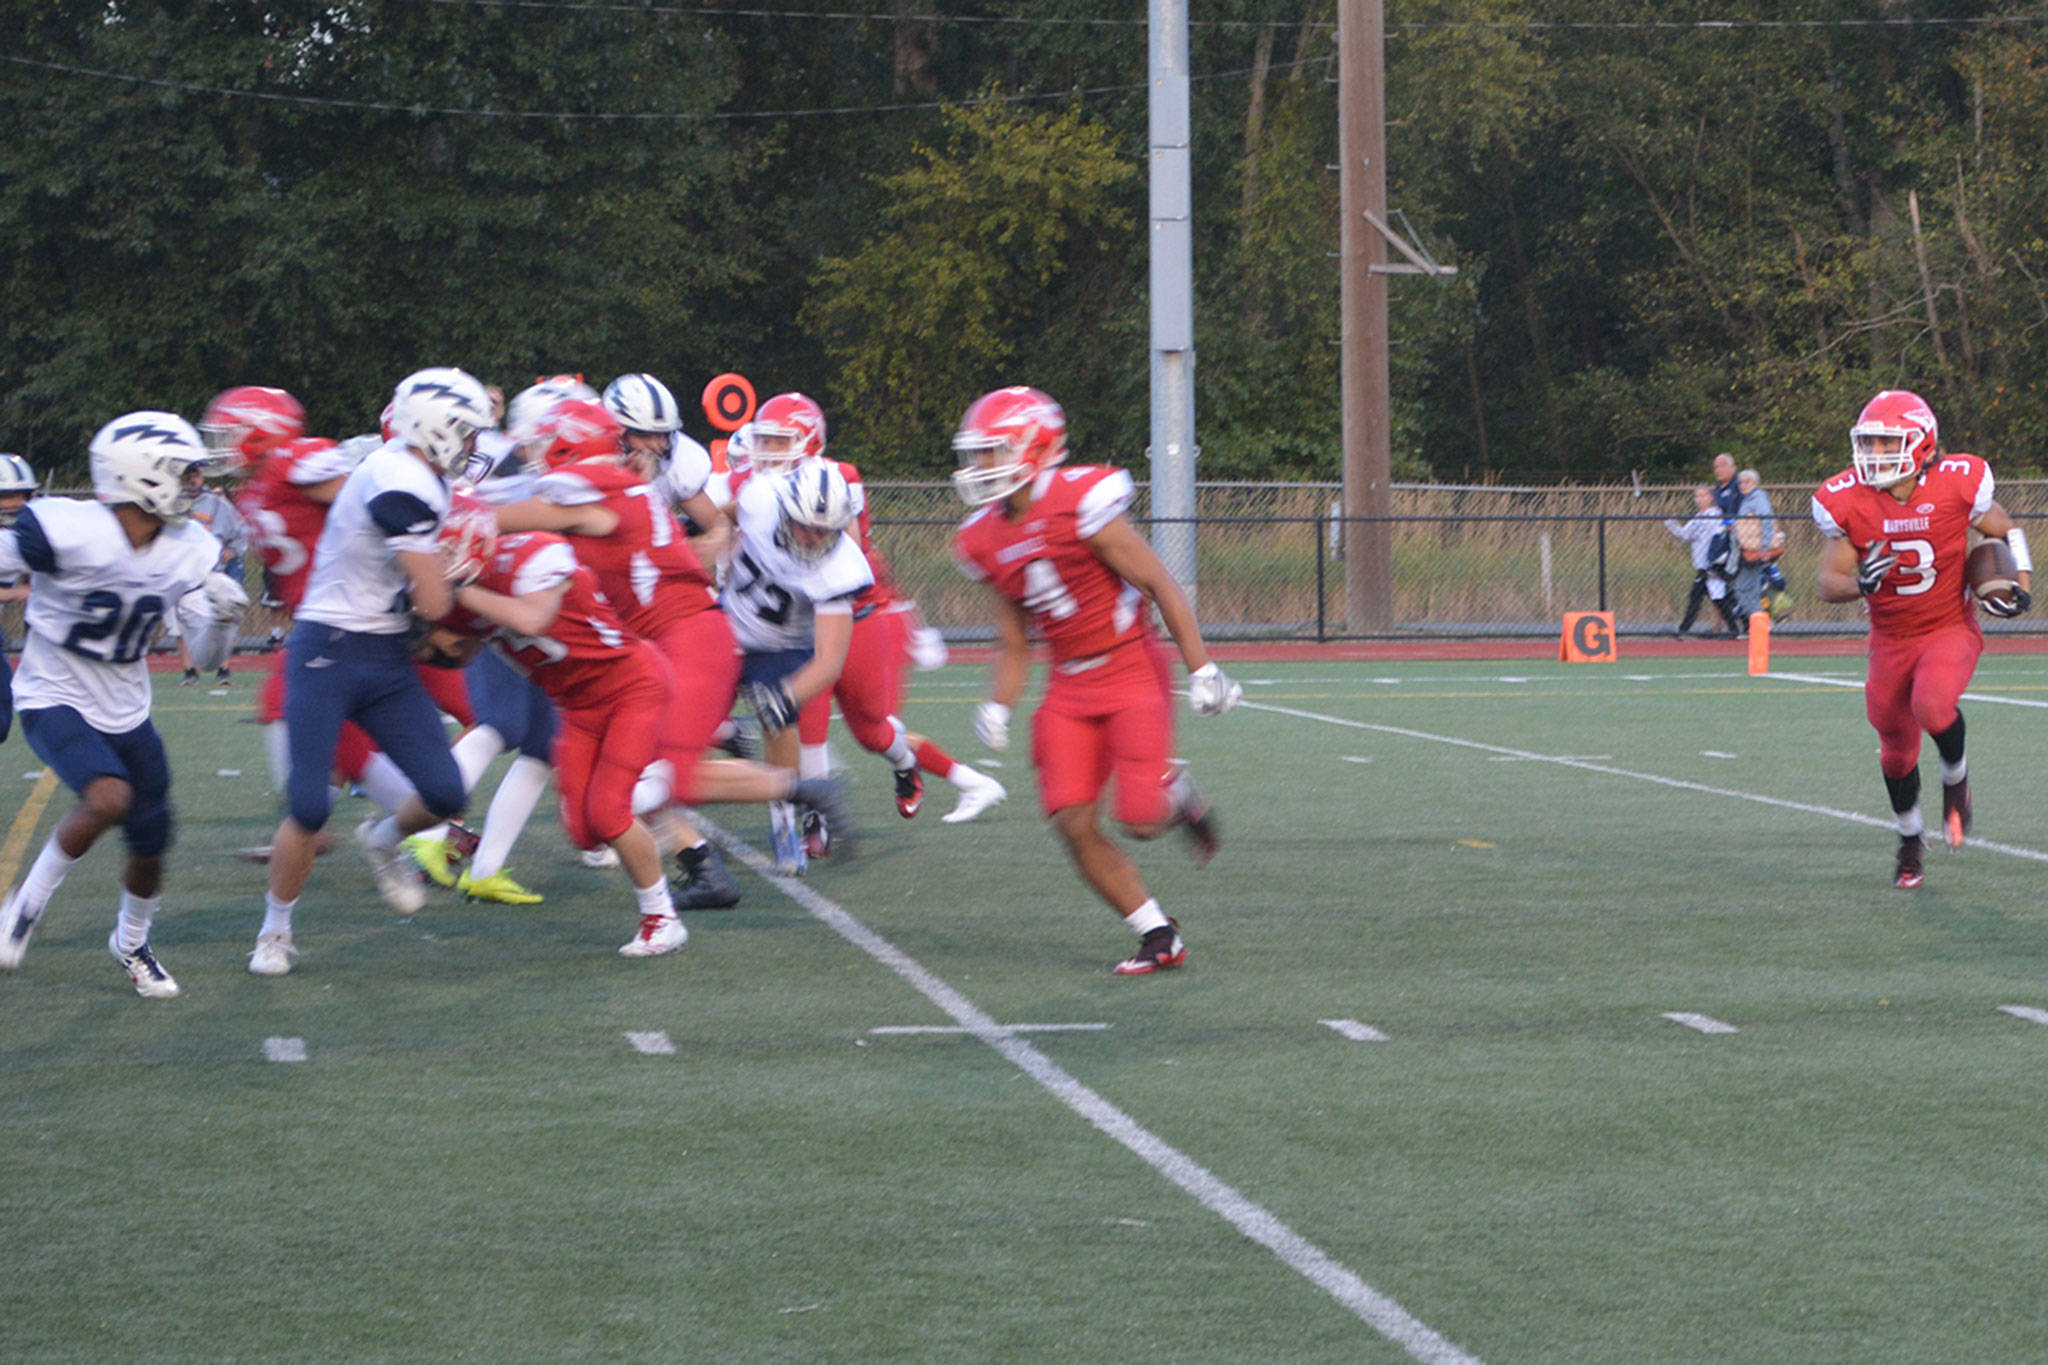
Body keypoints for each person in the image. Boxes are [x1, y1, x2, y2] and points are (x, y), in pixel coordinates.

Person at [951, 386, 1241, 976]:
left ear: (1034, 448)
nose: (979, 465)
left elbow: (1160, 583)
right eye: (976, 453)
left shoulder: (1080, 502)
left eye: (992, 450)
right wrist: (999, 704)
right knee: (1072, 821)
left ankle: (1177, 797)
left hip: (1129, 667)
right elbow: (1014, 639)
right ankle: (1157, 933)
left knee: (1139, 819)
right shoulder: (982, 537)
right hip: (1067, 686)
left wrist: (1202, 668)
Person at [247, 368, 488, 977]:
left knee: (445, 794)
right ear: (435, 427)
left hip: (384, 655)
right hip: (327, 649)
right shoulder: (397, 476)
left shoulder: (426, 478)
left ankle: (381, 842)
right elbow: (432, 600)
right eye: (466, 431)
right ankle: (275, 931)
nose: (473, 445)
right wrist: (468, 578)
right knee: (309, 805)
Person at [0, 414, 245, 997]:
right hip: (52, 690)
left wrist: (223, 621)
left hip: (126, 705)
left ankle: (131, 942)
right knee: (108, 796)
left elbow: (206, 656)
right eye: (185, 472)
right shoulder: (66, 528)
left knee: (152, 836)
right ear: (144, 476)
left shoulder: (191, 549)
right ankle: (22, 909)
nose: (195, 485)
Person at [736, 393, 1004, 853]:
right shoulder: (760, 489)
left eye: (780, 442)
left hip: (855, 615)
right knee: (808, 721)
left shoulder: (837, 479)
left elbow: (844, 547)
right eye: (765, 441)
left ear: (810, 442)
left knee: (872, 731)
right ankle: (816, 820)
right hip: (802, 626)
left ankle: (906, 763)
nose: (769, 452)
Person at [1811, 389, 2032, 889]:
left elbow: (2005, 529)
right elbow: (1827, 582)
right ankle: (1910, 837)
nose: (1875, 454)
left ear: (1921, 443)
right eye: (1869, 443)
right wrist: (1861, 583)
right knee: (1895, 749)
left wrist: (2021, 585)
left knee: (1932, 705)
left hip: (1948, 626)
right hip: (1890, 637)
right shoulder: (1848, 499)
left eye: (1888, 443)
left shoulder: (1956, 484)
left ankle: (1956, 777)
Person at [1663, 485, 1733, 636]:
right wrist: (1671, 523)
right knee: (1715, 599)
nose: (1700, 499)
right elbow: (1685, 535)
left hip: (1712, 565)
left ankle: (1683, 630)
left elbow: (1715, 537)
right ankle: (1733, 628)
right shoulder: (1698, 517)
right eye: (1697, 496)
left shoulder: (1715, 515)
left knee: (1705, 598)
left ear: (1711, 497)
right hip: (1703, 565)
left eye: (1703, 495)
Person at [1729, 467, 1777, 624]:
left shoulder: (1758, 499)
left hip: (1755, 548)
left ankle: (1760, 622)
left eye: (1747, 482)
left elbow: (1766, 520)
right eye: (1740, 482)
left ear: (1755, 483)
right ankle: (1760, 623)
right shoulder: (1747, 499)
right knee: (1753, 589)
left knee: (1741, 588)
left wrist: (1764, 546)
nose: (1742, 485)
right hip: (1747, 547)